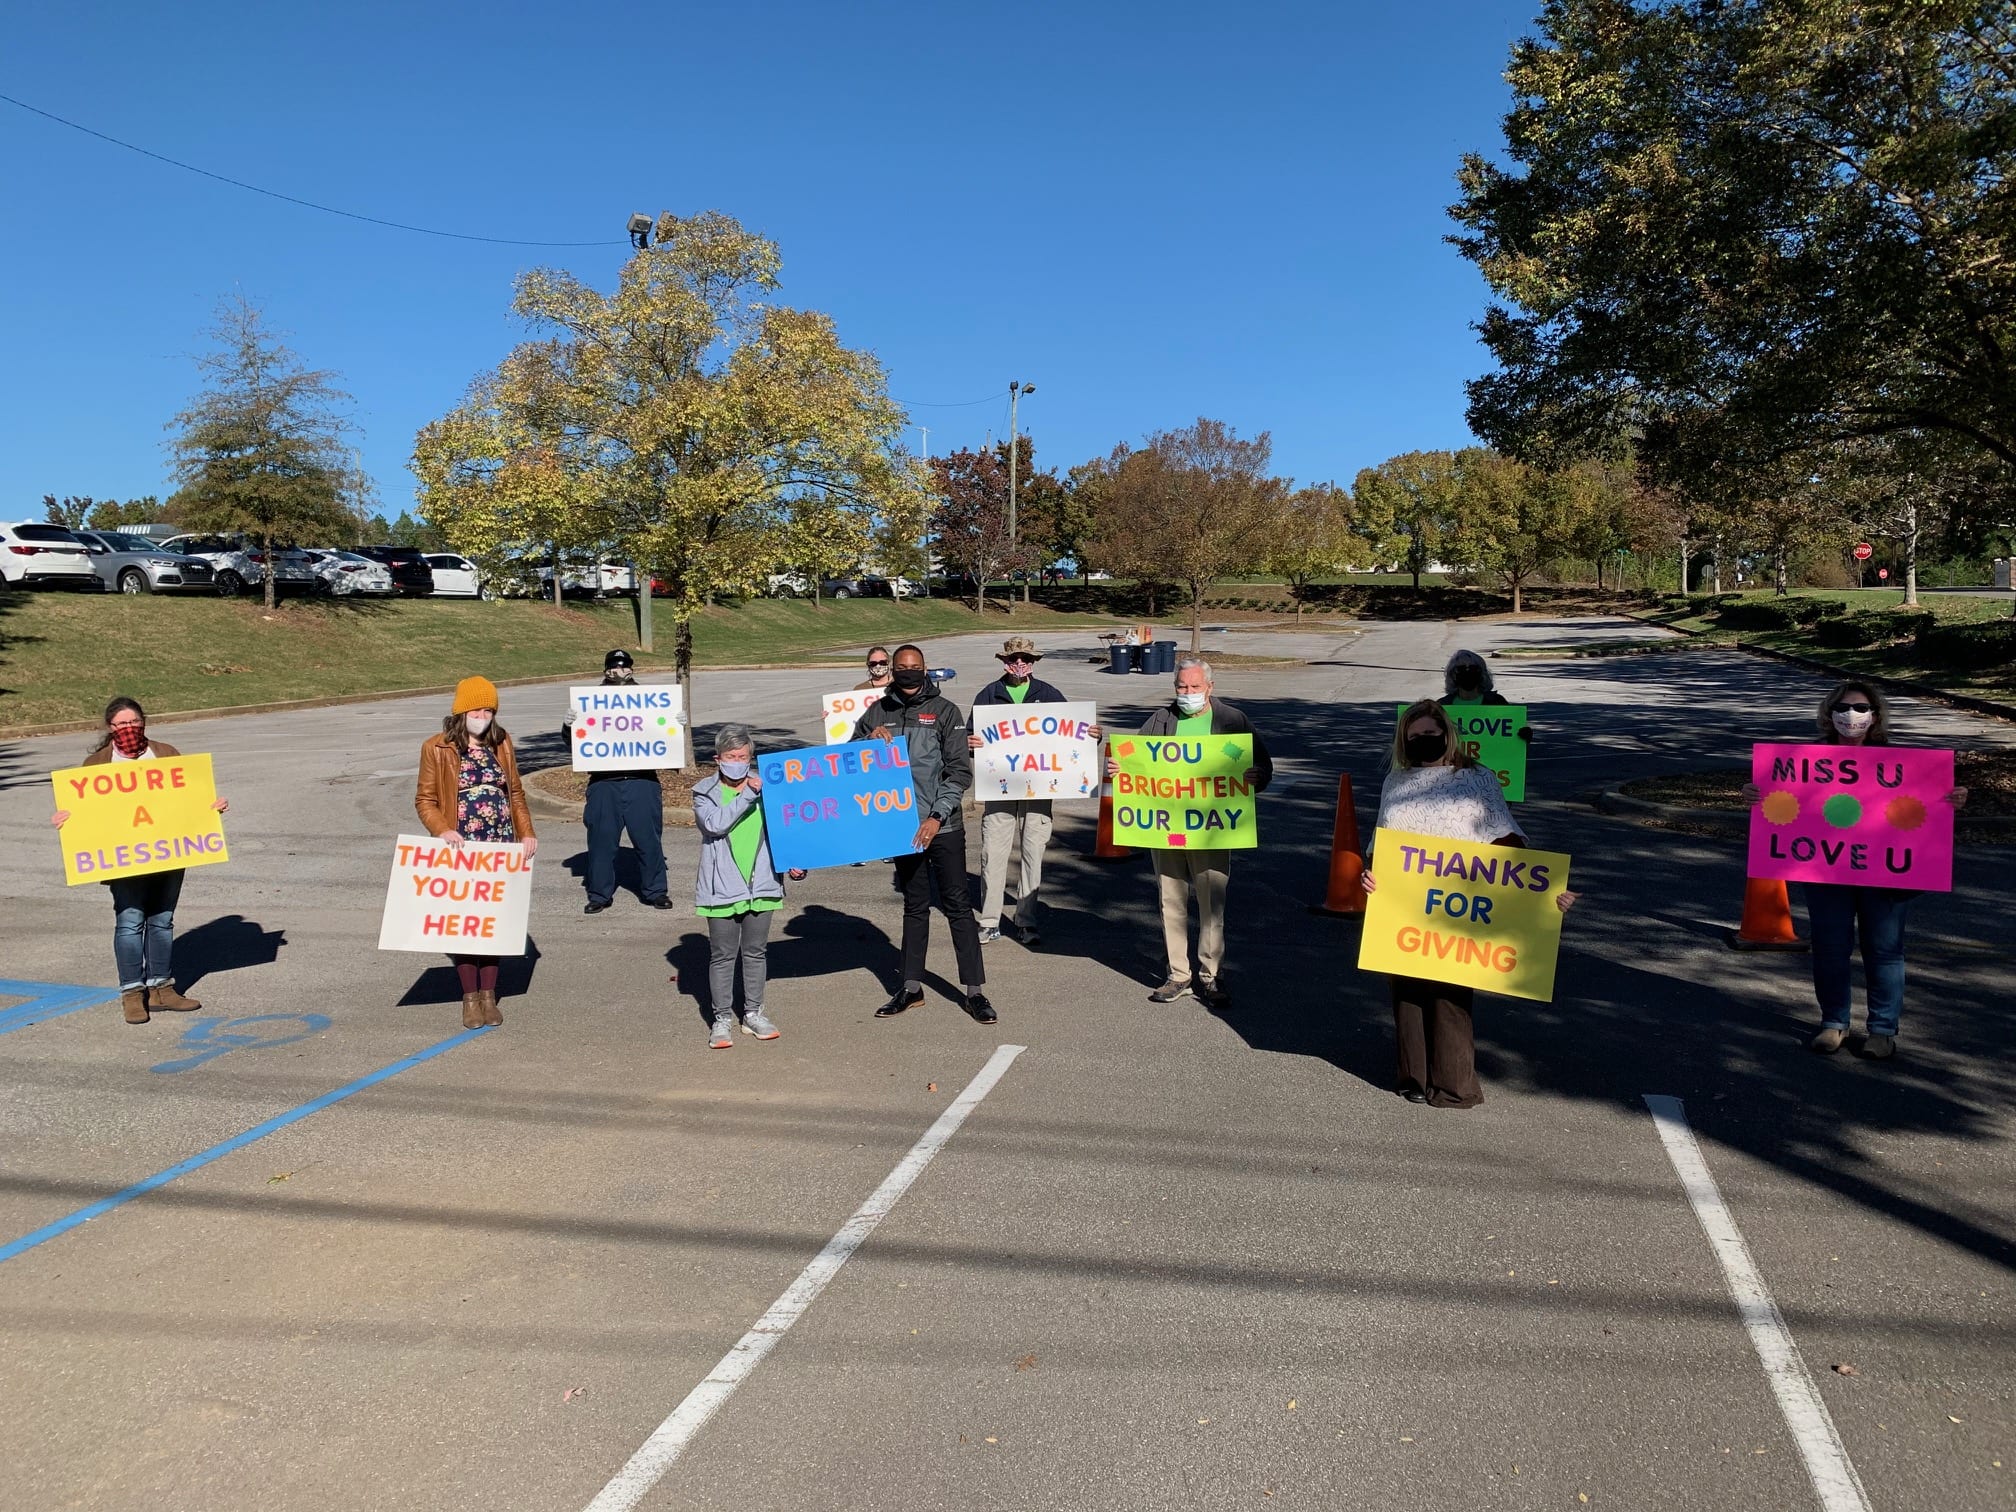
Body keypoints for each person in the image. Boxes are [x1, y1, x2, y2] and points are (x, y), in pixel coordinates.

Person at [1363, 700, 1578, 1107]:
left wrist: (1546, 890)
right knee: (1406, 994)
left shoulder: (1476, 780)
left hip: (1460, 903)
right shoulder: (1395, 782)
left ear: (1446, 734)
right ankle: (1413, 1077)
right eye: (1414, 737)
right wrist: (1369, 875)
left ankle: (1453, 1086)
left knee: (1449, 997)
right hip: (1404, 904)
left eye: (1430, 734)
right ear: (1403, 741)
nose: (1423, 741)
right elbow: (1382, 843)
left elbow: (1507, 842)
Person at [1740, 681, 1967, 1059]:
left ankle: (1882, 1030)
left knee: (1885, 951)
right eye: (1844, 708)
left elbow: (1926, 807)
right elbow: (1780, 805)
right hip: (1826, 871)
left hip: (1886, 873)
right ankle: (1833, 1023)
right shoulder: (1801, 763)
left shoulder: (1904, 765)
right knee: (1830, 948)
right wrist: (1753, 795)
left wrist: (1953, 799)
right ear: (1829, 714)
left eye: (1861, 709)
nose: (1852, 716)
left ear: (1875, 716)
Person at [49, 698, 230, 1025]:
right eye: (120, 725)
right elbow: (83, 812)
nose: (128, 729)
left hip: (168, 854)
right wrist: (66, 819)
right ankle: (132, 993)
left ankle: (162, 988)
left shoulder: (166, 753)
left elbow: (190, 796)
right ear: (110, 728)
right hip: (124, 861)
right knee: (130, 921)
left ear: (144, 722)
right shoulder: (96, 764)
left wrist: (211, 807)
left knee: (162, 920)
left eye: (133, 723)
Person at [1115, 656, 1272, 1010]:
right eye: (1181, 687)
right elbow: (1135, 755)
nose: (1187, 693)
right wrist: (1118, 764)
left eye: (1194, 687)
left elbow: (1261, 763)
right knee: (1170, 901)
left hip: (1213, 830)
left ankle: (1210, 974)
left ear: (1210, 688)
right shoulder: (1161, 720)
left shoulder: (1231, 721)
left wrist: (1255, 777)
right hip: (1166, 829)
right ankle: (1179, 974)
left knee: (1211, 903)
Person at [854, 645, 997, 1023]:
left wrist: (936, 816)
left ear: (925, 670)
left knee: (958, 908)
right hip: (901, 827)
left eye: (913, 667)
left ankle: (975, 992)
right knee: (914, 907)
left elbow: (958, 772)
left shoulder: (946, 712)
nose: (907, 673)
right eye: (900, 667)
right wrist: (866, 742)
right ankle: (911, 988)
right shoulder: (876, 712)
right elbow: (847, 760)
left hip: (942, 826)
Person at [415, 676, 538, 1030]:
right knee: (466, 925)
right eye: (476, 709)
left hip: (498, 844)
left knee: (493, 923)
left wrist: (526, 833)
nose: (482, 715)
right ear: (461, 711)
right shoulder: (436, 748)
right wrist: (443, 829)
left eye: (488, 709)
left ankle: (489, 994)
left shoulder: (501, 743)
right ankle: (470, 997)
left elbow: (515, 792)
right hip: (462, 847)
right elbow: (425, 800)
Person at [965, 635, 1098, 947]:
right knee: (992, 854)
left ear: (1034, 662)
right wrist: (969, 743)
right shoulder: (989, 695)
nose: (1020, 663)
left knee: (1032, 853)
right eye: (1014, 658)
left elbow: (1073, 736)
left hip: (1039, 788)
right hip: (999, 788)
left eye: (1026, 658)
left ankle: (1026, 920)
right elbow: (970, 735)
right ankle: (989, 921)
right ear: (1004, 661)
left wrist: (1093, 735)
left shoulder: (1048, 694)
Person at [691, 724, 808, 1049]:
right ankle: (722, 1020)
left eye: (743, 756)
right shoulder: (704, 792)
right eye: (731, 756)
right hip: (721, 887)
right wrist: (749, 794)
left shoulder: (770, 786)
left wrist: (795, 861)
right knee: (723, 956)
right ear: (718, 758)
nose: (738, 761)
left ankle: (754, 1014)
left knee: (756, 953)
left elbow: (787, 827)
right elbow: (715, 825)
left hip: (762, 884)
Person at [574, 649, 671, 914]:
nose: (621, 672)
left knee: (649, 840)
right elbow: (574, 742)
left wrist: (676, 723)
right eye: (615, 668)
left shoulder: (648, 700)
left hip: (642, 780)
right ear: (606, 671)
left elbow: (665, 735)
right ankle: (599, 894)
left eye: (626, 667)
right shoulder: (590, 702)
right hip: (604, 782)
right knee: (601, 842)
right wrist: (568, 725)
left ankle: (656, 891)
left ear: (632, 670)